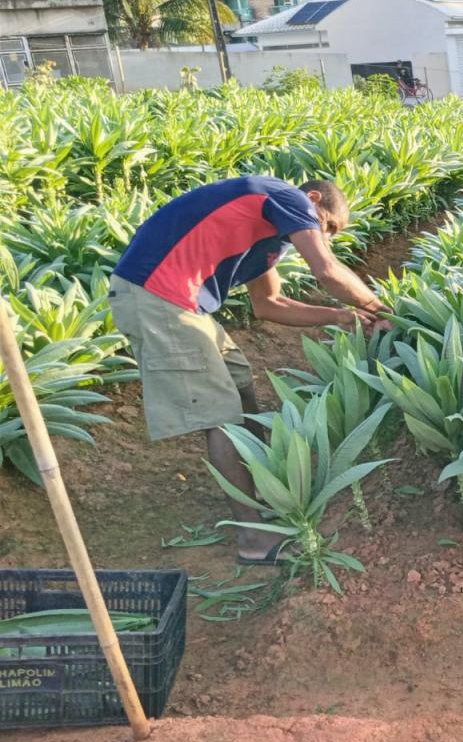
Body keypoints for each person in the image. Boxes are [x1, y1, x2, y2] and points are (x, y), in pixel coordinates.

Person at [109, 177, 390, 564]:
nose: (326, 236)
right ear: (312, 198)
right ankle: (253, 538)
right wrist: (382, 309)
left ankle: (262, 492)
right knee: (222, 414)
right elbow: (326, 270)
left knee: (240, 385)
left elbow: (269, 304)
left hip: (185, 304)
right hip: (157, 296)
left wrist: (340, 316)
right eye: (328, 225)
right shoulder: (286, 197)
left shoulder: (268, 237)